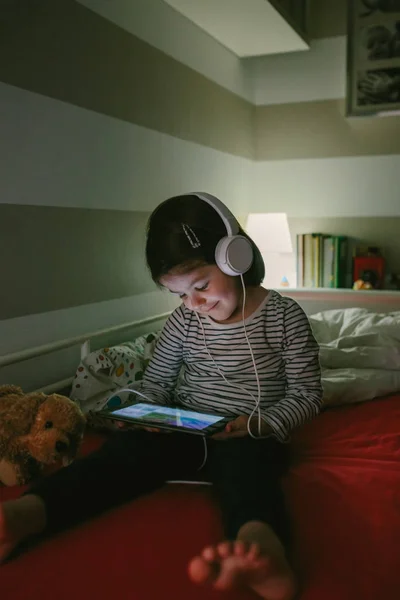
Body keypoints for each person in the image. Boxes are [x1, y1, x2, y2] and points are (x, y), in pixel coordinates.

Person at [0, 193, 322, 600]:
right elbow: (157, 382)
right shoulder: (185, 320)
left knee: (250, 478)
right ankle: (26, 514)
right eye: (180, 295)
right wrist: (141, 411)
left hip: (249, 434)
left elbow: (308, 394)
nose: (195, 304)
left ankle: (261, 552)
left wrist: (263, 422)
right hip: (182, 427)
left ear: (234, 258)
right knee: (121, 456)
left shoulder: (283, 317)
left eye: (201, 286)